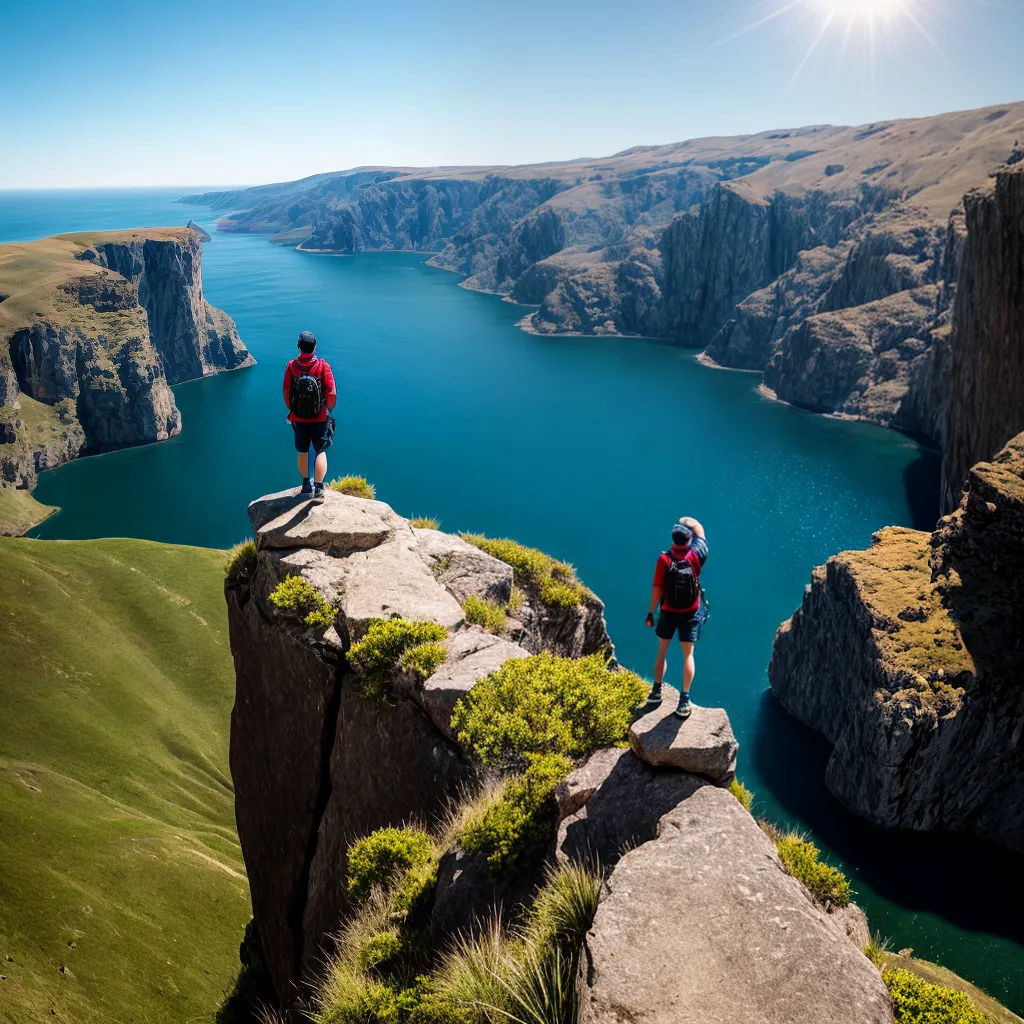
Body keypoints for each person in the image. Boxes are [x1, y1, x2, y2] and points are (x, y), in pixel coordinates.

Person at [645, 516, 708, 718]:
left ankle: (656, 692)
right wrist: (689, 521)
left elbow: (657, 587)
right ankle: (684, 700)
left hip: (668, 612)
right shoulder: (696, 555)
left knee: (661, 653)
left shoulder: (664, 559)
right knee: (688, 655)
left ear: (673, 540)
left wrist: (650, 613)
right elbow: (702, 533)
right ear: (689, 540)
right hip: (690, 612)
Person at [283, 331, 337, 500]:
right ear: (315, 346)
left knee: (303, 452)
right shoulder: (322, 366)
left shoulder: (291, 366)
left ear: (299, 347)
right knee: (320, 451)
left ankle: (306, 484)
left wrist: (293, 409)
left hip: (298, 418)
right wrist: (327, 410)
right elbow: (332, 393)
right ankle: (319, 488)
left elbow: (286, 391)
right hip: (319, 417)